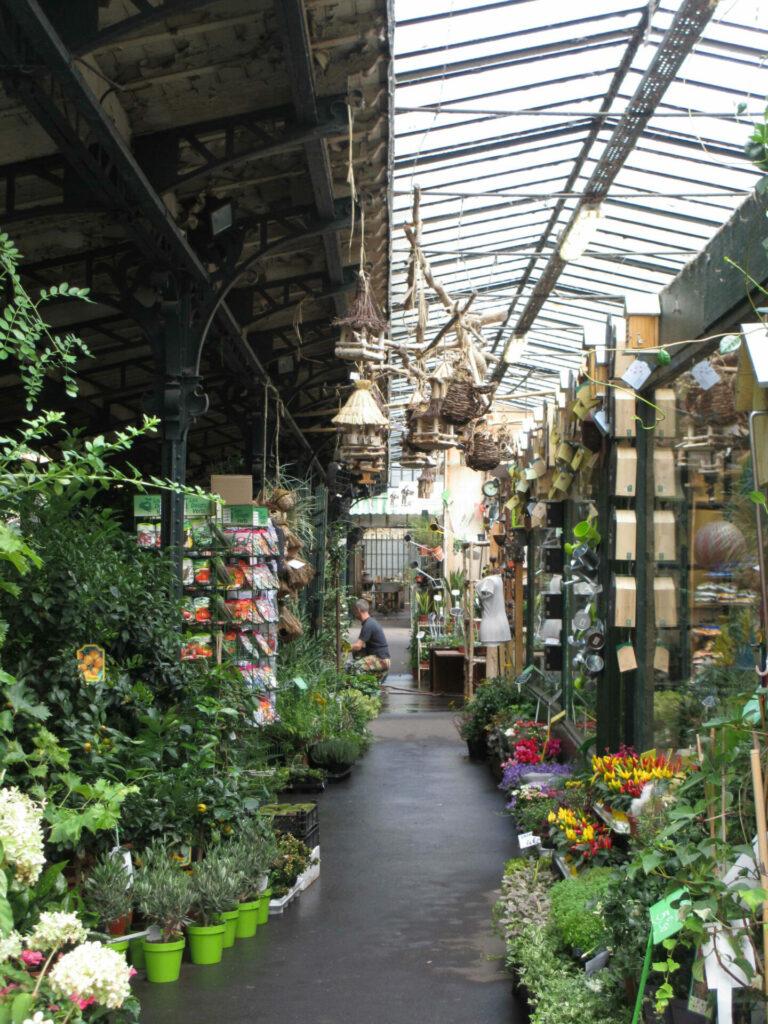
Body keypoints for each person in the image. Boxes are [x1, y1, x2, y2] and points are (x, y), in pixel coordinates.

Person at [350, 598, 390, 678]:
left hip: (380, 660)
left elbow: (358, 646)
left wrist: (342, 648)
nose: (354, 614)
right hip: (381, 658)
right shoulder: (370, 622)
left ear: (358, 610)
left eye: (354, 611)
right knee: (357, 655)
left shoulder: (368, 625)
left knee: (354, 667)